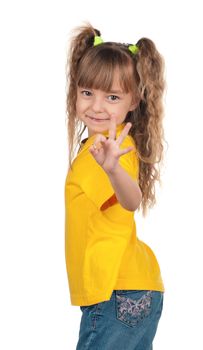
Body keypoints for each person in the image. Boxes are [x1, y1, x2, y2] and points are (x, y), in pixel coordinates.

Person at [64, 22, 167, 350]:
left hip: (116, 293)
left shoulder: (110, 148)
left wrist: (112, 170)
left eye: (112, 96)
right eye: (87, 92)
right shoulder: (98, 145)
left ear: (133, 100)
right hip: (135, 288)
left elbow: (131, 199)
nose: (96, 106)